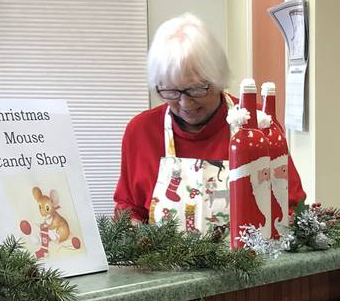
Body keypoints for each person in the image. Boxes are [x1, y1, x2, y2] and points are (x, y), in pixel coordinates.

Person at [113, 13, 305, 226]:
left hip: (247, 257)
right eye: (171, 91)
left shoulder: (258, 125)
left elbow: (290, 203)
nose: (185, 104)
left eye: (196, 89)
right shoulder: (141, 131)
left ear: (219, 79)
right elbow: (129, 209)